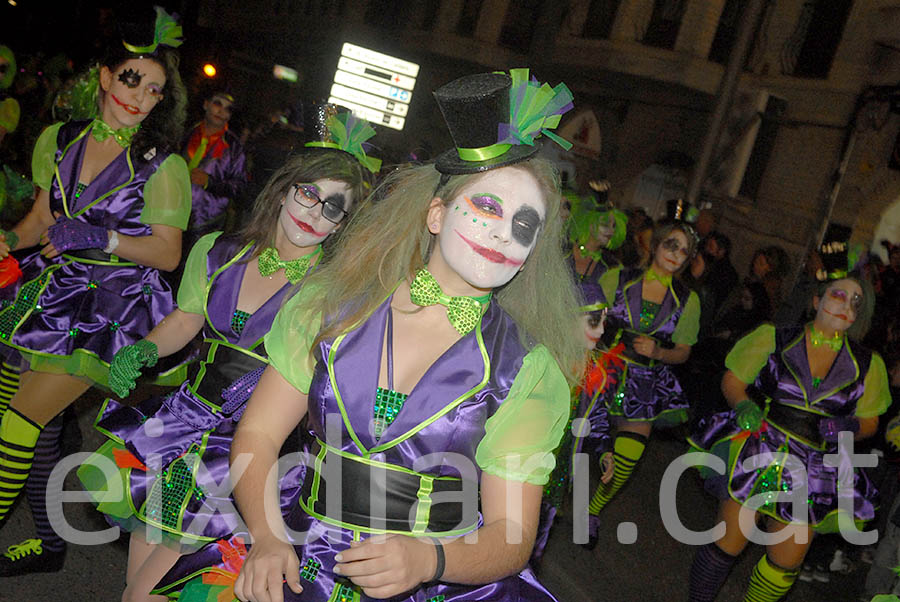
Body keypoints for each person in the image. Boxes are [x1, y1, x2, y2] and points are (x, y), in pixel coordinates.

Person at [154, 68, 583, 602]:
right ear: (435, 214)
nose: (503, 232)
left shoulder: (528, 372)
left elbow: (512, 537)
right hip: (301, 550)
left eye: (525, 225)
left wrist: (431, 558)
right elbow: (260, 436)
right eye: (489, 207)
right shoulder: (327, 309)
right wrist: (265, 537)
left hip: (433, 584)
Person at [77, 111, 377, 602]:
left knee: (144, 595)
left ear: (342, 225)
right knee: (135, 586)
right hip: (175, 430)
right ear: (284, 189)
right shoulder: (217, 251)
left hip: (243, 455)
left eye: (332, 208)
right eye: (308, 193)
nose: (314, 212)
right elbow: (187, 319)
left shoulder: (331, 295)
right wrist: (148, 347)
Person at [0, 7, 190, 575]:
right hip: (47, 298)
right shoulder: (59, 139)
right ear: (105, 77)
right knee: (37, 424)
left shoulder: (163, 166)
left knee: (17, 423)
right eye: (132, 79)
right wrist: (9, 239)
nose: (140, 96)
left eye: (154, 89)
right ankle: (50, 546)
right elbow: (39, 219)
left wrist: (101, 237)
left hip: (110, 315)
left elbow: (168, 252)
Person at [687, 262, 890, 601]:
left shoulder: (868, 364)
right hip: (761, 448)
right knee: (727, 544)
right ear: (816, 300)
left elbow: (870, 421)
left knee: (785, 562)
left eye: (856, 302)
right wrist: (743, 404)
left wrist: (849, 425)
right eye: (840, 295)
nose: (846, 305)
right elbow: (733, 379)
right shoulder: (774, 337)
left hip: (814, 467)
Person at [583, 219, 701, 546]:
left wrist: (660, 351)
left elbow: (684, 352)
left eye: (685, 252)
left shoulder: (688, 301)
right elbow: (587, 316)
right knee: (573, 436)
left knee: (630, 453)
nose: (677, 255)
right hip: (602, 369)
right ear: (656, 245)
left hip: (645, 381)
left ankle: (591, 511)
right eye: (671, 245)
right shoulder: (617, 278)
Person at [182, 90, 248, 235]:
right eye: (218, 104)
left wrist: (209, 182)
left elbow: (240, 187)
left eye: (228, 109)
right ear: (206, 105)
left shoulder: (234, 147)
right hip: (171, 212)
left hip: (205, 222)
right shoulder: (186, 132)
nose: (221, 111)